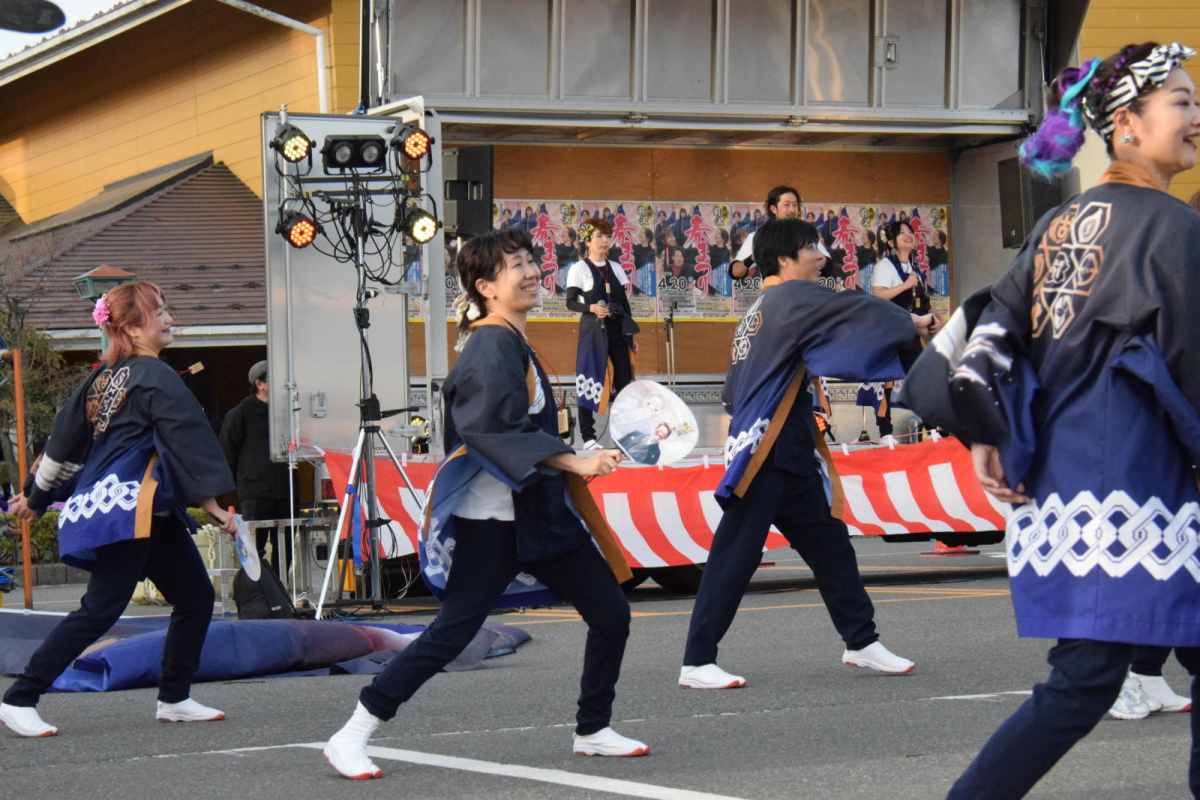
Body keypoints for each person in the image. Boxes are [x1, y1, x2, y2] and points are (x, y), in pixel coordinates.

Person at [902, 42, 1200, 799]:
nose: (1198, 116)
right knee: (1087, 676)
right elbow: (1191, 364)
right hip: (1138, 481)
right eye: (1183, 102)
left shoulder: (1064, 223)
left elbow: (984, 334)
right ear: (1127, 124)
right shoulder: (1169, 230)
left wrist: (984, 430)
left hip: (1070, 485)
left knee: (1092, 674)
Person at [321, 228, 647, 779]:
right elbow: (489, 428)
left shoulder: (512, 340)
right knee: (452, 632)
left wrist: (581, 458)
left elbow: (519, 430)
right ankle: (352, 732)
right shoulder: (492, 342)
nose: (529, 272)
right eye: (514, 265)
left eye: (529, 261)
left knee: (610, 611)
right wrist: (573, 462)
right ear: (485, 286)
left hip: (534, 515)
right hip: (492, 521)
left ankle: (593, 729)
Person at [679, 218, 932, 690]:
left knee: (831, 547)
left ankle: (861, 641)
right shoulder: (791, 297)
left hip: (784, 444)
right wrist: (911, 322)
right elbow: (856, 309)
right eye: (811, 250)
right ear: (785, 259)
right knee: (736, 553)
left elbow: (736, 392)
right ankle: (697, 660)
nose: (820, 258)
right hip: (767, 450)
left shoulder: (759, 308)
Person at [0, 282, 237, 738]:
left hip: (139, 508)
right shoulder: (155, 375)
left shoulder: (101, 377)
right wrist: (212, 504)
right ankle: (19, 696)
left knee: (194, 597)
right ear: (131, 326)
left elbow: (64, 442)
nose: (169, 319)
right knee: (99, 609)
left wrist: (36, 495)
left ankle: (174, 697)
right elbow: (187, 439)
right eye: (160, 312)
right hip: (128, 508)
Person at [565, 218, 639, 450]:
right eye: (599, 236)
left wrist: (631, 335)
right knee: (589, 378)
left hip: (617, 329)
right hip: (593, 330)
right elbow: (569, 303)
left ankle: (625, 436)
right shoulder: (579, 269)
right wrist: (591, 308)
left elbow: (624, 304)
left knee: (624, 381)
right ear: (587, 241)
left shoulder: (615, 267)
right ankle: (588, 437)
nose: (605, 241)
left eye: (608, 236)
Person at [219, 360, 293, 569]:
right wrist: (232, 489)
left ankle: (281, 592)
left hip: (286, 489)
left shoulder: (288, 413)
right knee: (254, 549)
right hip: (255, 491)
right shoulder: (239, 414)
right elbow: (227, 453)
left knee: (285, 549)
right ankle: (257, 594)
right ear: (259, 384)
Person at [870, 220, 936, 437]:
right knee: (886, 384)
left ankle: (932, 429)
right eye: (902, 233)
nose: (908, 235)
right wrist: (906, 285)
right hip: (889, 333)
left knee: (922, 380)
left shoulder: (915, 267)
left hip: (911, 332)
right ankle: (885, 433)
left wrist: (934, 319)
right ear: (890, 242)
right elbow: (878, 295)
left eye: (910, 231)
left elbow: (920, 303)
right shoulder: (885, 266)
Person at [730, 185, 821, 280]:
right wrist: (752, 258)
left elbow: (825, 263)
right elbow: (734, 272)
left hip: (804, 290)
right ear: (773, 209)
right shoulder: (759, 236)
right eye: (786, 205)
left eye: (795, 205)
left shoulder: (806, 235)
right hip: (773, 291)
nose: (792, 210)